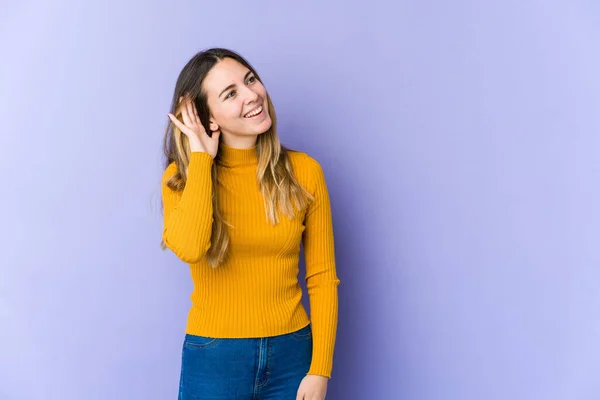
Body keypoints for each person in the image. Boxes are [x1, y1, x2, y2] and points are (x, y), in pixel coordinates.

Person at [160, 48, 341, 399]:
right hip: (215, 358)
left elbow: (322, 278)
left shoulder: (304, 172)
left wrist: (320, 370)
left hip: (293, 354)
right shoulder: (182, 180)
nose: (252, 95)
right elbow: (192, 247)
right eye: (231, 94)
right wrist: (201, 160)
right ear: (206, 119)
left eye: (250, 80)